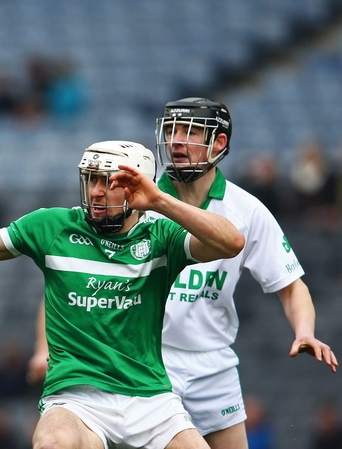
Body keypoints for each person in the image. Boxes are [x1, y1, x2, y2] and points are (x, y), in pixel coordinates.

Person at [29, 98, 339, 449]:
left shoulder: (246, 210)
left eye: (189, 131)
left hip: (213, 363)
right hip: (144, 363)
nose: (176, 140)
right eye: (171, 130)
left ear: (218, 143)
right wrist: (43, 347)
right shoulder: (130, 204)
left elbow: (290, 286)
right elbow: (68, 276)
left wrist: (305, 331)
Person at [0, 140, 245, 448]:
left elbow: (231, 243)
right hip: (76, 399)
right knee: (53, 443)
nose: (96, 191)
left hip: (150, 398)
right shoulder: (52, 226)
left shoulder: (162, 235)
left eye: (109, 182)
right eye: (91, 179)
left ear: (137, 187)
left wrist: (160, 201)